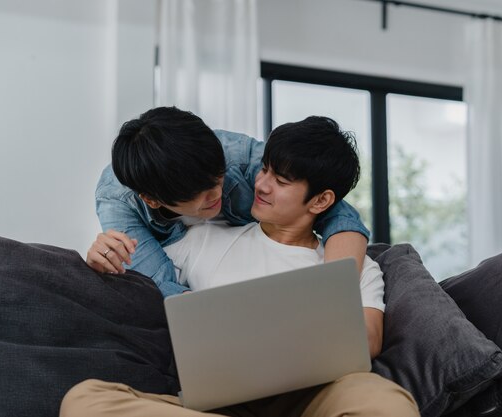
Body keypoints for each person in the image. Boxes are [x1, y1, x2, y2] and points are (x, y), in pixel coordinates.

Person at [64, 117, 420, 417]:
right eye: (263, 170)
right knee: (84, 400)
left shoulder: (352, 264)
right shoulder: (202, 238)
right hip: (216, 403)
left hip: (311, 397)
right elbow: (138, 280)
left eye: (280, 182)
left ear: (322, 200)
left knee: (386, 402)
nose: (259, 184)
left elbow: (369, 340)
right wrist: (100, 258)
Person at [89, 107, 370, 297]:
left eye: (218, 179)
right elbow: (162, 288)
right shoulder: (119, 202)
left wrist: (335, 290)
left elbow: (329, 203)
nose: (216, 195)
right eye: (200, 194)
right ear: (152, 200)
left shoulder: (229, 151)